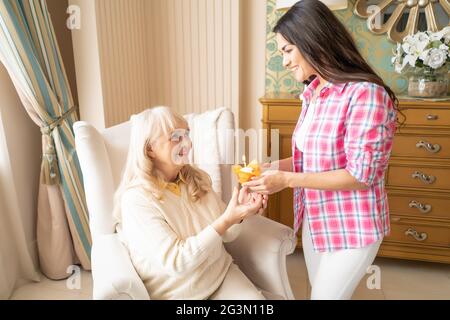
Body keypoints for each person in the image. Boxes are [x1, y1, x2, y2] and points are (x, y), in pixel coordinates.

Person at [244, 0, 399, 300]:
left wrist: (287, 181)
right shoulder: (313, 94)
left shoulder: (367, 95)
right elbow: (308, 159)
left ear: (312, 40)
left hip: (355, 227)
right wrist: (271, 168)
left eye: (288, 50)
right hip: (317, 220)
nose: (285, 61)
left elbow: (360, 174)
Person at [113, 106, 267, 300]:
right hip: (179, 295)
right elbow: (177, 262)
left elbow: (227, 234)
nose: (188, 143)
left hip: (220, 277)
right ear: (150, 149)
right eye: (176, 137)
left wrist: (240, 213)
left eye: (187, 134)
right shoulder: (137, 200)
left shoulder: (197, 179)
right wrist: (227, 219)